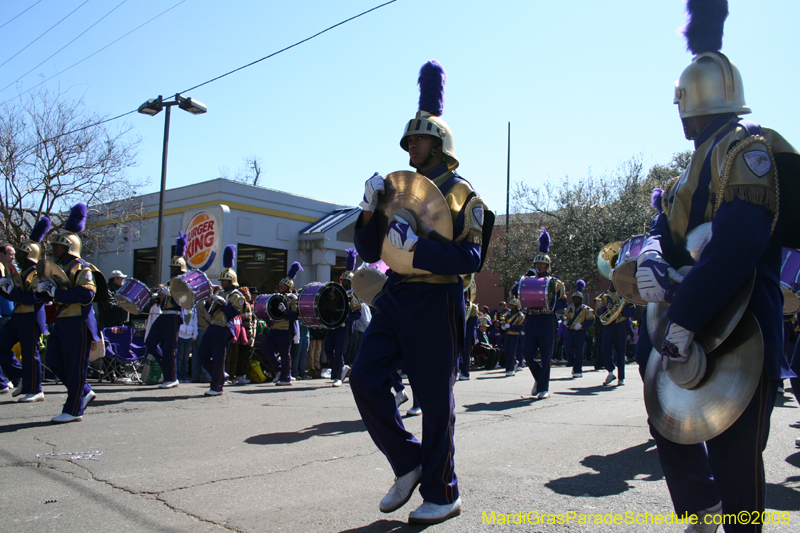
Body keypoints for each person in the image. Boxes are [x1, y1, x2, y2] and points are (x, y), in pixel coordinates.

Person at [634, 2, 797, 530]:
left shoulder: (749, 150)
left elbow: (739, 245)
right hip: (692, 324)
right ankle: (703, 507)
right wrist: (653, 256)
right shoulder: (690, 169)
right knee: (666, 421)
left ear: (692, 102)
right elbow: (664, 229)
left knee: (737, 467)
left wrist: (684, 314)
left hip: (743, 325)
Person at [349, 60, 490, 524]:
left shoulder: (464, 194)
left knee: (434, 399)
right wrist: (369, 211)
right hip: (396, 296)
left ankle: (443, 490)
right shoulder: (398, 191)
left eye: (419, 138)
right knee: (365, 377)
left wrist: (421, 251)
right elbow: (371, 249)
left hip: (437, 299)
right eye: (408, 139)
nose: (411, 145)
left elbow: (471, 261)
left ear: (441, 143)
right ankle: (407, 461)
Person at [36, 203, 99, 423]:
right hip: (63, 321)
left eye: (58, 246)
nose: (54, 249)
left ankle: (73, 410)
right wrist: (43, 291)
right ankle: (85, 391)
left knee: (75, 366)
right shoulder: (60, 268)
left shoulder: (81, 267)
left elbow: (86, 294)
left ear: (68, 247)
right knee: (53, 360)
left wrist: (57, 293)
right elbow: (54, 294)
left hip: (78, 322)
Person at [0, 218, 50, 402]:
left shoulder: (37, 273)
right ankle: (23, 377)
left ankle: (35, 389)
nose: (16, 254)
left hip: (30, 316)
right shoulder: (19, 272)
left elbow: (35, 298)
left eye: (20, 251)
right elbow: (12, 294)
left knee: (30, 353)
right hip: (18, 316)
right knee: (2, 346)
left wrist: (11, 293)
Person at [521, 228, 567, 399]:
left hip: (547, 319)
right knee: (527, 353)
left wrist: (551, 305)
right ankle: (540, 379)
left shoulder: (556, 283)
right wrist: (526, 278)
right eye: (537, 264)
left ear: (547, 266)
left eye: (541, 264)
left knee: (546, 354)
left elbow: (563, 303)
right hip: (532, 318)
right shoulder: (528, 279)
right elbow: (515, 292)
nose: (538, 266)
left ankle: (544, 388)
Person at [199, 245, 245, 396]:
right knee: (202, 353)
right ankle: (220, 375)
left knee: (219, 357)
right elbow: (210, 312)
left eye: (225, 281)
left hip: (224, 327)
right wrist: (209, 301)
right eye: (222, 280)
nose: (222, 283)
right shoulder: (221, 292)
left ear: (231, 280)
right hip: (212, 326)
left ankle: (216, 387)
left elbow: (233, 313)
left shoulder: (237, 295)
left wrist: (223, 303)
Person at [145, 233, 188, 389]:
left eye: (175, 267)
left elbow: (184, 299)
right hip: (164, 315)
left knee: (170, 348)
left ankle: (171, 377)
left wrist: (168, 293)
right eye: (172, 267)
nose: (173, 269)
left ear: (181, 268)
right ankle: (168, 370)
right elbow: (165, 299)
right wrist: (157, 296)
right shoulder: (171, 281)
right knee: (150, 343)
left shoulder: (184, 280)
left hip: (175, 316)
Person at [260, 262, 302, 385]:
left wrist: (286, 312)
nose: (280, 286)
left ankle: (286, 377)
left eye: (283, 284)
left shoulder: (293, 299)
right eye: (280, 284)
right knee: (267, 349)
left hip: (286, 329)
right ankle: (279, 370)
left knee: (285, 354)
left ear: (289, 286)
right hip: (274, 327)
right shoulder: (276, 296)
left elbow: (297, 315)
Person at [326, 249, 362, 387]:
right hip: (333, 324)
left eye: (346, 280)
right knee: (328, 349)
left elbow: (357, 313)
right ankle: (342, 369)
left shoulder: (353, 294)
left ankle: (337, 376)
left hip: (344, 327)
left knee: (339, 350)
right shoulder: (336, 291)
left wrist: (345, 318)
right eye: (343, 279)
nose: (343, 282)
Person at [596, 282, 634, 386]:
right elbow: (598, 311)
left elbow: (632, 310)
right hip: (608, 326)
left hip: (620, 325)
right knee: (605, 348)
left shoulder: (623, 296)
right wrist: (606, 308)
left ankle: (621, 377)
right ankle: (610, 371)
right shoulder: (603, 296)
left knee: (620, 351)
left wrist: (620, 311)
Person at [562, 280, 595, 379]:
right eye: (574, 298)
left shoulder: (586, 309)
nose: (575, 300)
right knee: (568, 348)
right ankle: (572, 363)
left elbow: (591, 320)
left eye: (577, 298)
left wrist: (582, 325)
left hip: (580, 331)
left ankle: (578, 370)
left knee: (579, 351)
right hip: (570, 331)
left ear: (581, 299)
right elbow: (565, 316)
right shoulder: (569, 308)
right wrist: (565, 320)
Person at [501, 298, 525, 377]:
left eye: (513, 305)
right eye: (511, 305)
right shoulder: (508, 314)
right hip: (507, 334)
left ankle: (510, 369)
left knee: (511, 352)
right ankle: (514, 363)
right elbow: (503, 320)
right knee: (506, 351)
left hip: (515, 335)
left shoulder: (520, 316)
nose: (511, 306)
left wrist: (510, 326)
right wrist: (503, 325)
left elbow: (520, 327)